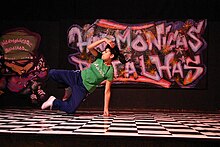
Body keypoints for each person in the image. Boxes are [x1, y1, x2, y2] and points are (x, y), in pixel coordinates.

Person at [41, 38, 126, 116]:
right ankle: (68, 87)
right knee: (52, 73)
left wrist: (106, 109)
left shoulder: (110, 71)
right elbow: (90, 47)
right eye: (104, 51)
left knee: (70, 109)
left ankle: (53, 101)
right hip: (77, 76)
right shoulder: (99, 57)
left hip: (83, 88)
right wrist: (103, 40)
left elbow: (107, 91)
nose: (103, 52)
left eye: (106, 52)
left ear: (111, 56)